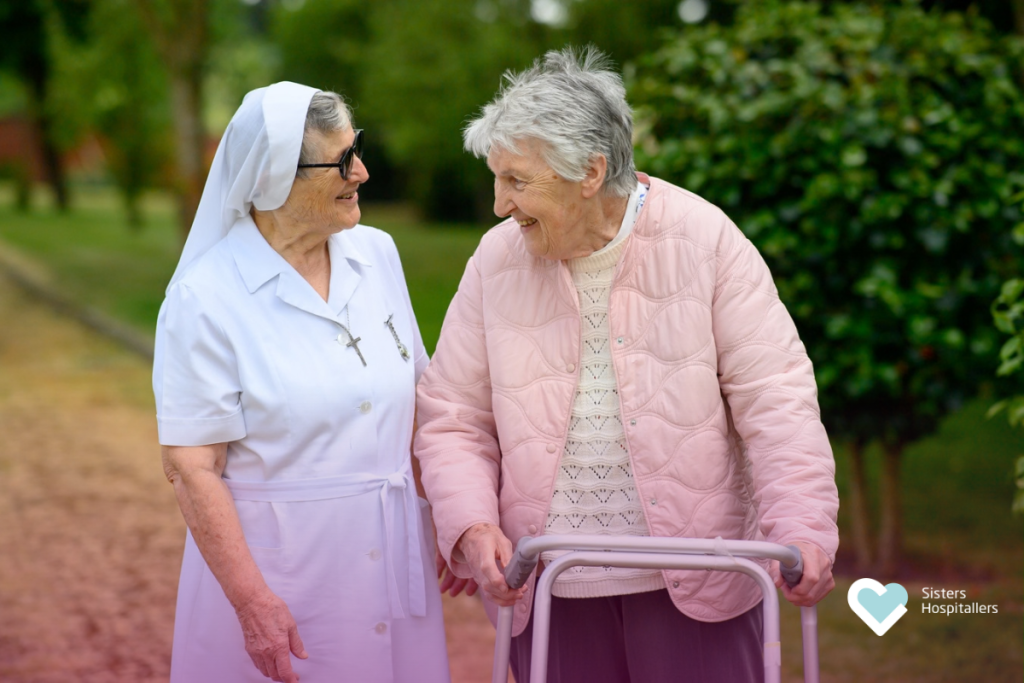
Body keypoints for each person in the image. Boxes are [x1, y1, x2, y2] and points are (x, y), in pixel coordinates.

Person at [414, 48, 839, 683]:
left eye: (518, 181)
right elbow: (453, 417)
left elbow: (775, 398)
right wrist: (471, 525)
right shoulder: (495, 261)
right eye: (496, 179)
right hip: (550, 581)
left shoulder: (706, 239)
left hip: (699, 582)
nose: (501, 204)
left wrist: (803, 526)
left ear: (590, 171)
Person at [154, 81, 450, 683]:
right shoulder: (205, 298)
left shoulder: (379, 253)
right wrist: (251, 603)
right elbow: (192, 467)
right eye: (342, 160)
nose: (362, 172)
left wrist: (451, 517)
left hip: (392, 561)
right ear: (271, 179)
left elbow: (421, 402)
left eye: (357, 149)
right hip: (280, 578)